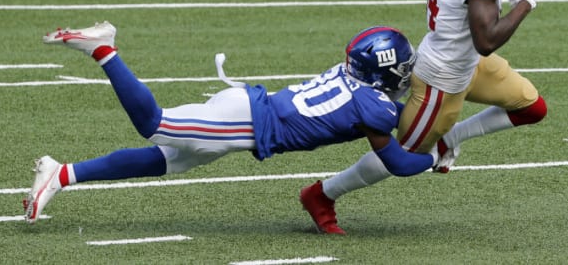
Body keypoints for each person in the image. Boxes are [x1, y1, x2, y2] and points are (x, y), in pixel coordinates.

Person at [300, 0, 547, 234]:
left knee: (531, 107)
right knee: (400, 158)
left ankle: (450, 137)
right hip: (441, 80)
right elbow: (488, 40)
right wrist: (524, 5)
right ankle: (322, 194)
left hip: (467, 63)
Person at [24, 22, 435, 226]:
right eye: (402, 68)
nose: (406, 74)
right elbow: (398, 162)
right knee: (153, 124)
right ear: (384, 72)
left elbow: (385, 115)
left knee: (165, 161)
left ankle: (60, 175)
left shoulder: (358, 86)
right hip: (246, 125)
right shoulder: (373, 106)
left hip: (246, 110)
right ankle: (103, 48)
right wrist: (435, 157)